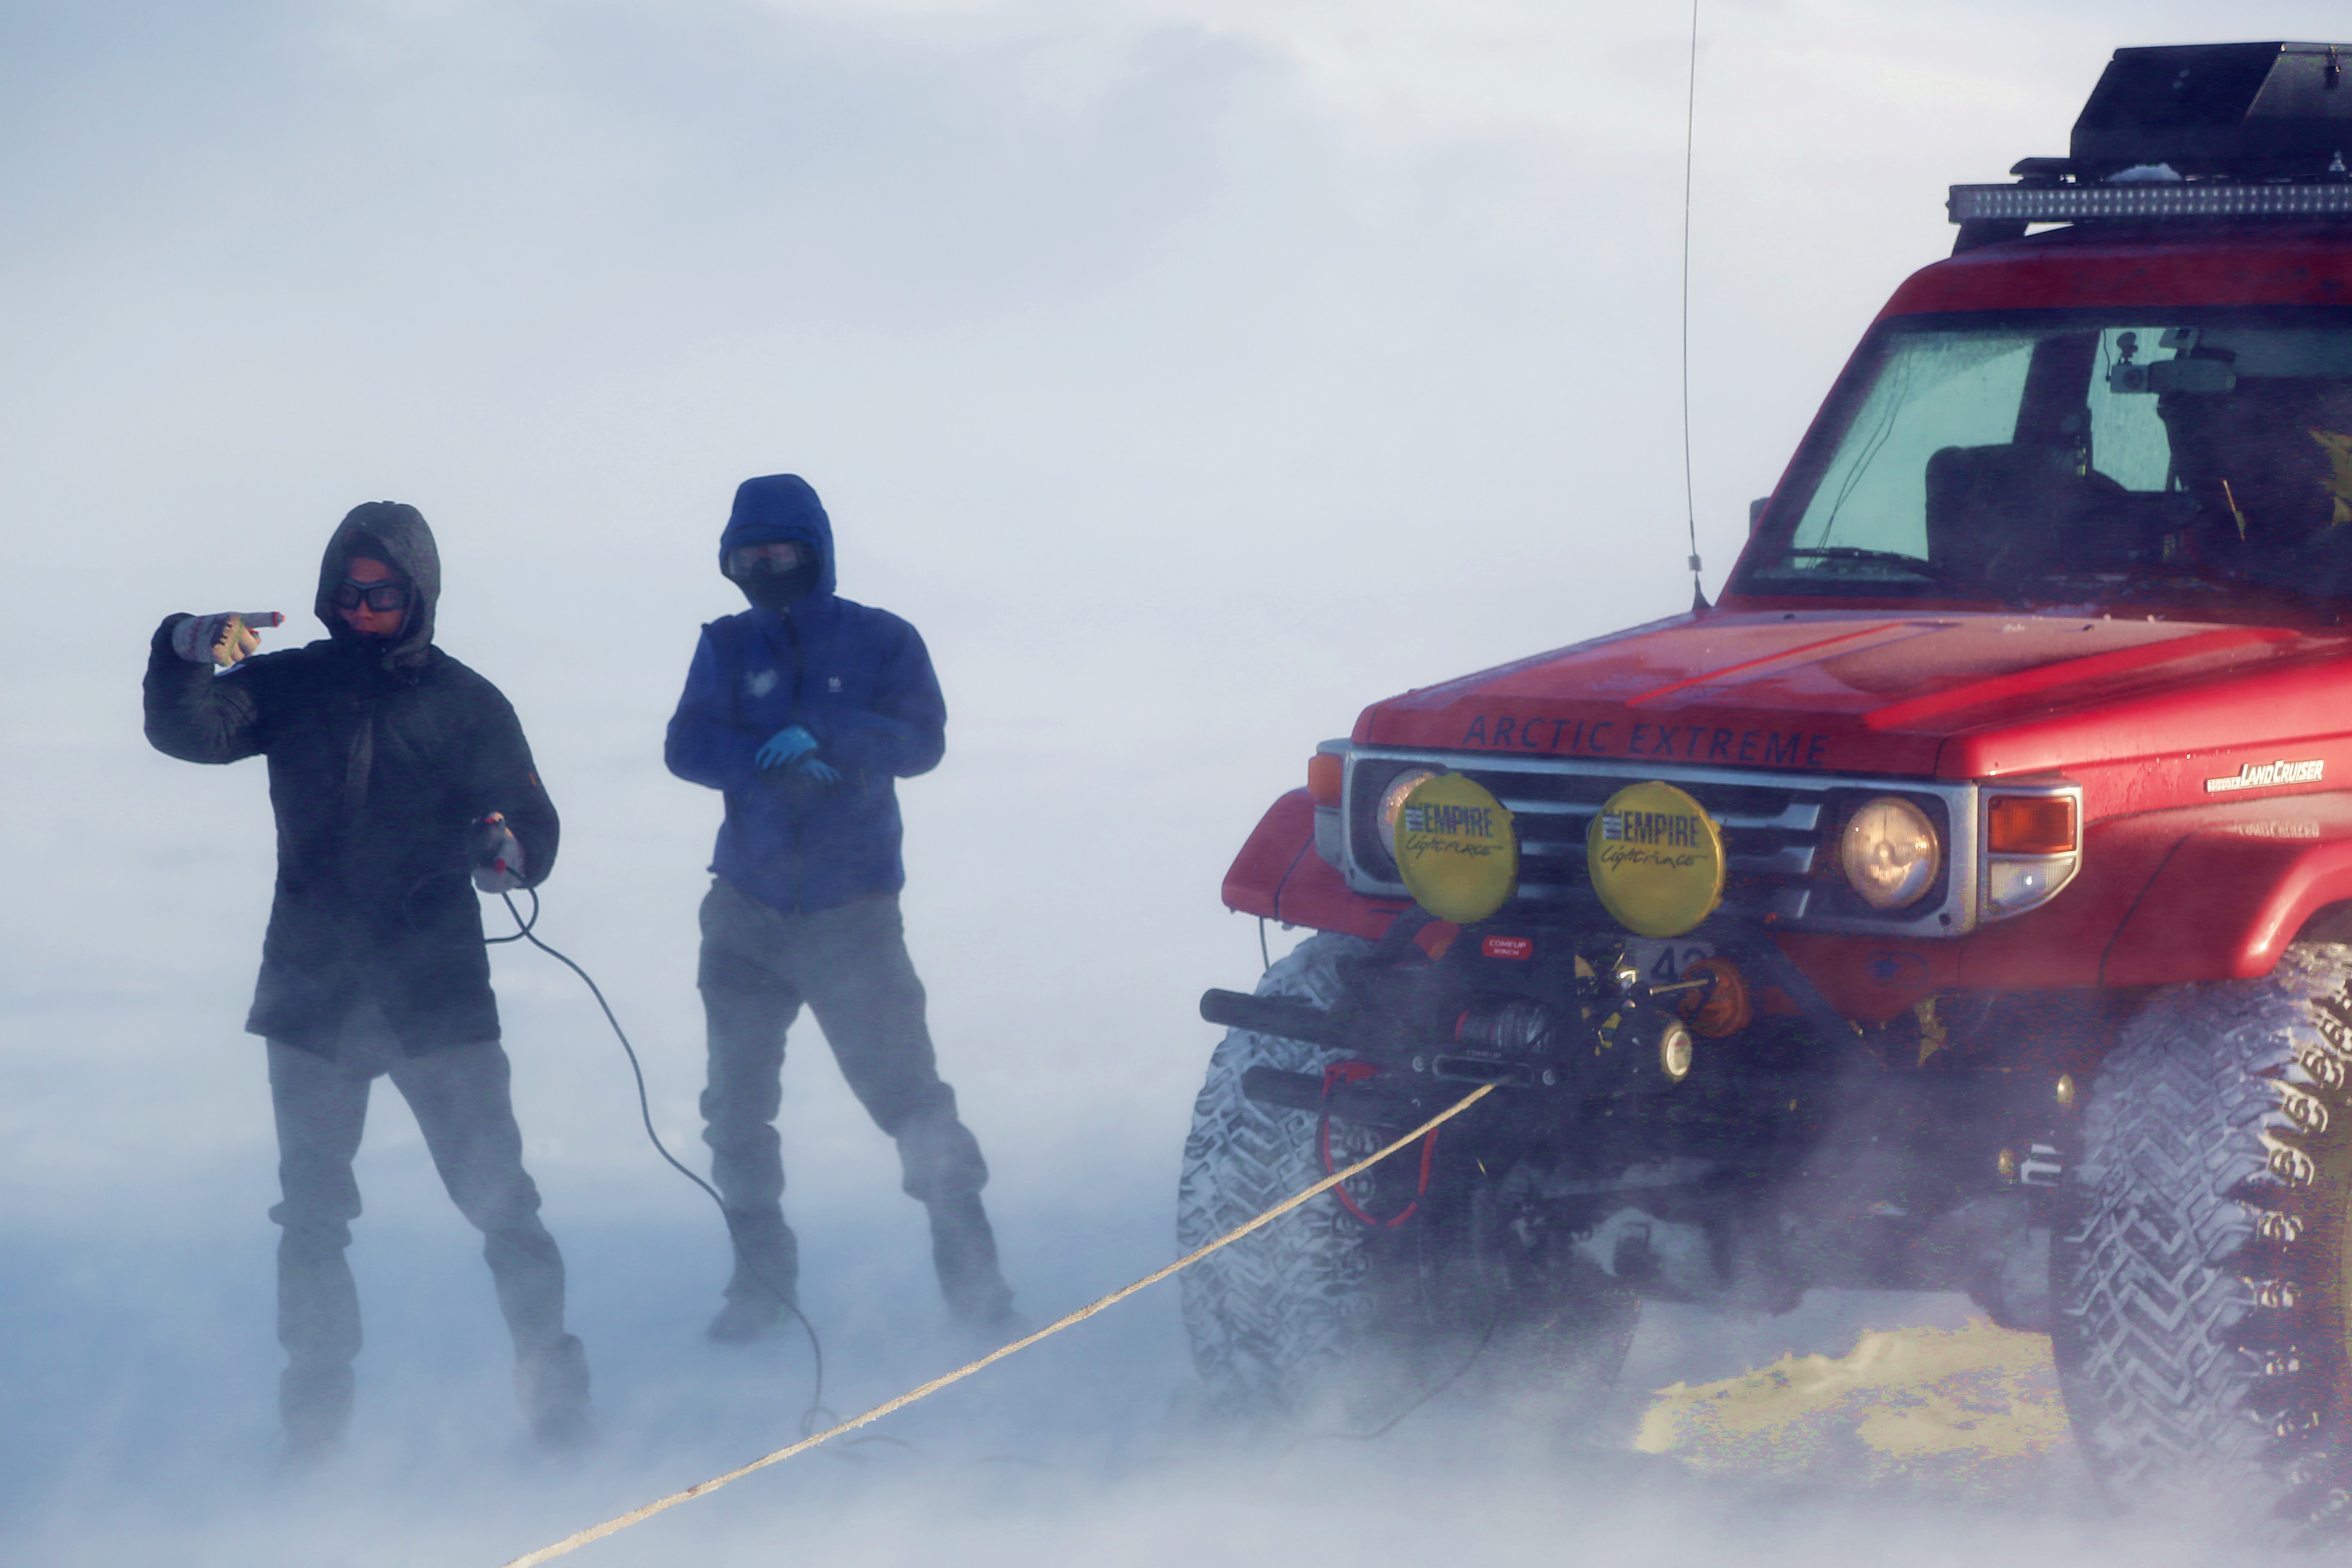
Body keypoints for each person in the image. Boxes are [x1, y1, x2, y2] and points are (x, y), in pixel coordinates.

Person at [143, 501, 593, 1466]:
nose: (361, 611)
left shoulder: (469, 703)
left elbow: (534, 825)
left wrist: (510, 848)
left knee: (502, 1206)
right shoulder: (292, 685)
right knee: (311, 1220)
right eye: (347, 594)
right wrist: (184, 650)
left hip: (437, 996)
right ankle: (315, 1432)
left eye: (383, 594)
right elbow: (192, 735)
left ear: (419, 595)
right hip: (313, 996)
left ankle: (556, 1406)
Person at [665, 473, 1017, 1343]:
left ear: (814, 550)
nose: (762, 565)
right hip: (745, 912)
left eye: (777, 549)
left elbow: (923, 739)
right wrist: (764, 759)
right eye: (746, 554)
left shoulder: (882, 639)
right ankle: (760, 1291)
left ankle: (978, 1289)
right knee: (736, 1114)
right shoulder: (724, 642)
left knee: (910, 1101)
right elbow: (687, 746)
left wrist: (830, 734)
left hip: (853, 913)